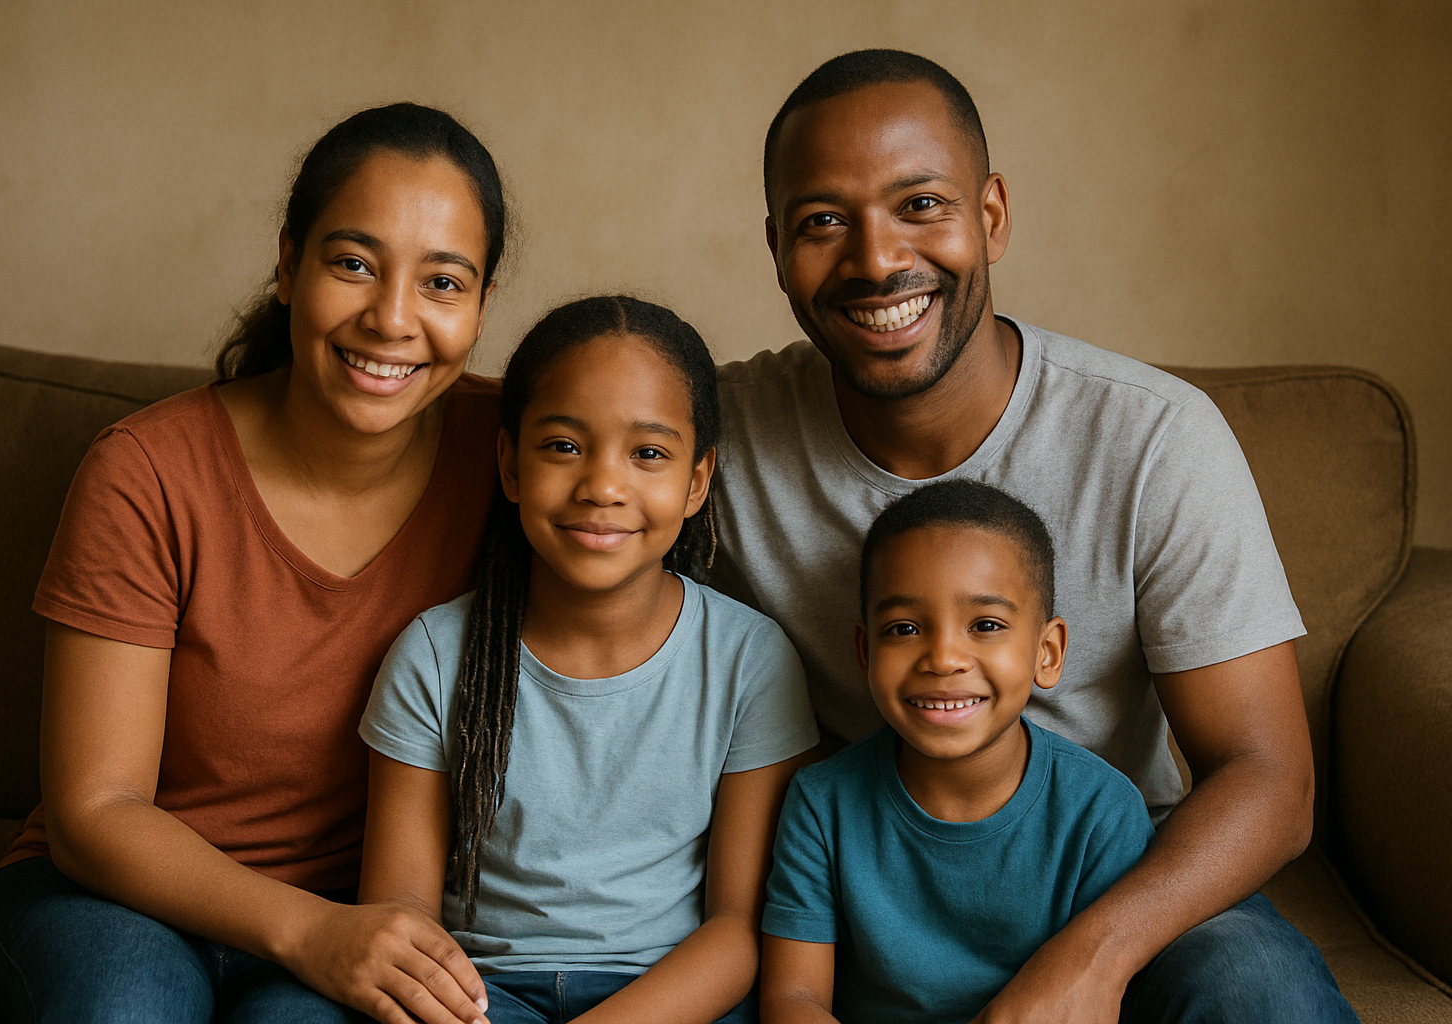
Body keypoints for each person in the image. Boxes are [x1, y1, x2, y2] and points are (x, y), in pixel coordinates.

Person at [712, 49, 1359, 1021]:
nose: (878, 259)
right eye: (822, 222)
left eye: (921, 204)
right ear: (775, 249)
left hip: (1114, 880)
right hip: (860, 891)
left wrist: (1089, 962)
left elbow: (1270, 778)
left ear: (993, 215)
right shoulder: (709, 440)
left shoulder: (1153, 437)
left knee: (1259, 990)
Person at [0, 103, 511, 1024]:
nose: (391, 318)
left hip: (357, 920)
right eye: (353, 263)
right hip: (117, 898)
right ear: (287, 265)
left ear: (480, 309)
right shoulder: (145, 469)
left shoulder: (516, 457)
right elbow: (95, 808)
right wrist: (310, 932)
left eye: (443, 282)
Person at [357, 295, 821, 1024]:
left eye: (649, 454)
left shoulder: (750, 661)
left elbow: (737, 931)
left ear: (698, 481)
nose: (603, 486)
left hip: (671, 1000)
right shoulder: (434, 656)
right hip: (480, 996)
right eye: (564, 446)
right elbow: (400, 915)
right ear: (509, 465)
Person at [758, 479, 1153, 1024]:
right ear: (864, 651)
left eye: (986, 625)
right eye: (904, 628)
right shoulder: (821, 804)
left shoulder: (1101, 813)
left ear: (1048, 652)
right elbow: (792, 1000)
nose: (943, 658)